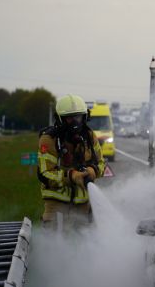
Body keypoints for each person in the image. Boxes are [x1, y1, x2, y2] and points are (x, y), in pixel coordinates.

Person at [37, 94, 105, 232]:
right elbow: (45, 173)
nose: (75, 122)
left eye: (78, 117)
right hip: (56, 209)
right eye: (70, 118)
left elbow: (101, 164)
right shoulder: (49, 140)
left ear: (84, 117)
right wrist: (71, 176)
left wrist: (93, 171)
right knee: (55, 249)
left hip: (84, 209)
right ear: (60, 119)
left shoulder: (89, 137)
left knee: (87, 249)